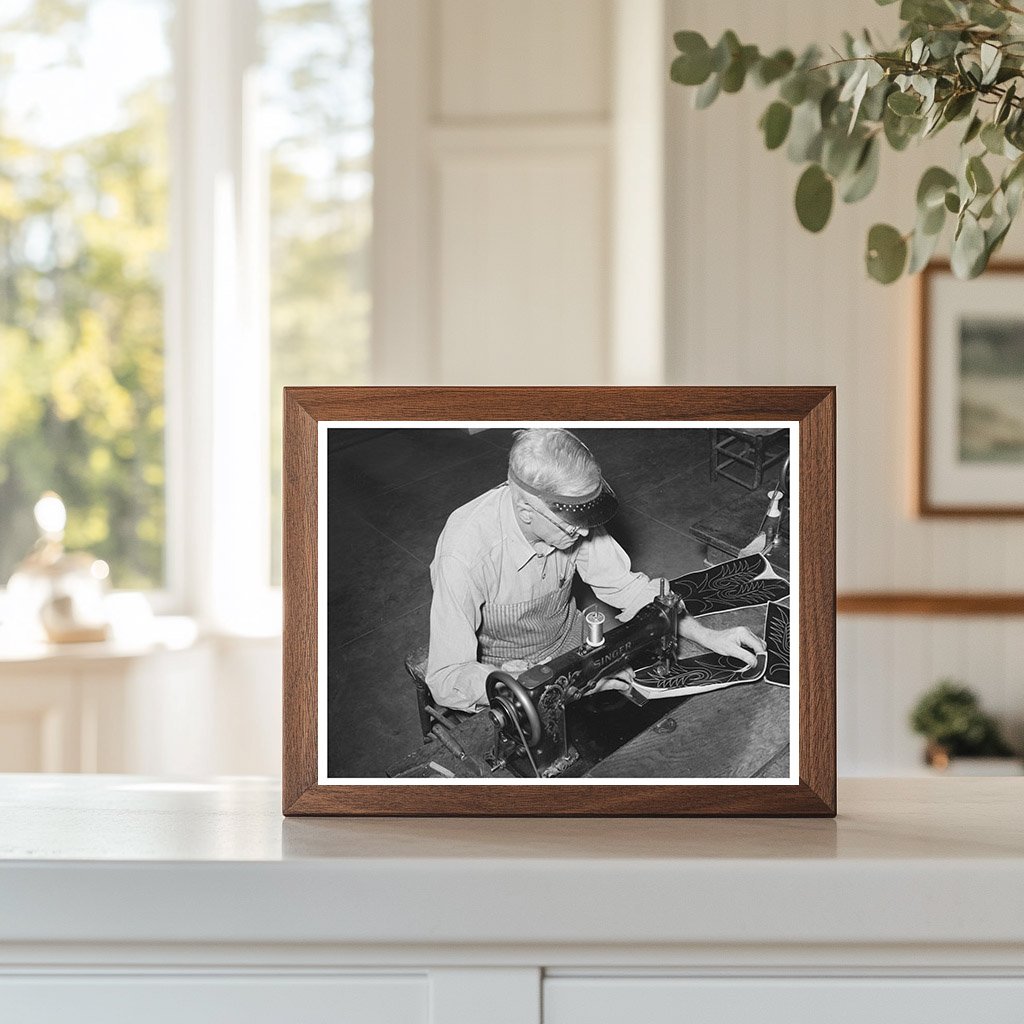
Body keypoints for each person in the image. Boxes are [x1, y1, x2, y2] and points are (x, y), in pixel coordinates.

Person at [425, 428, 765, 712]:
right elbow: (446, 675)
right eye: (572, 523)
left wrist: (708, 636)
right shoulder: (464, 554)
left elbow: (628, 589)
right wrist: (551, 685)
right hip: (506, 667)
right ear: (526, 509)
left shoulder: (573, 522)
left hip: (568, 638)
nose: (585, 533)